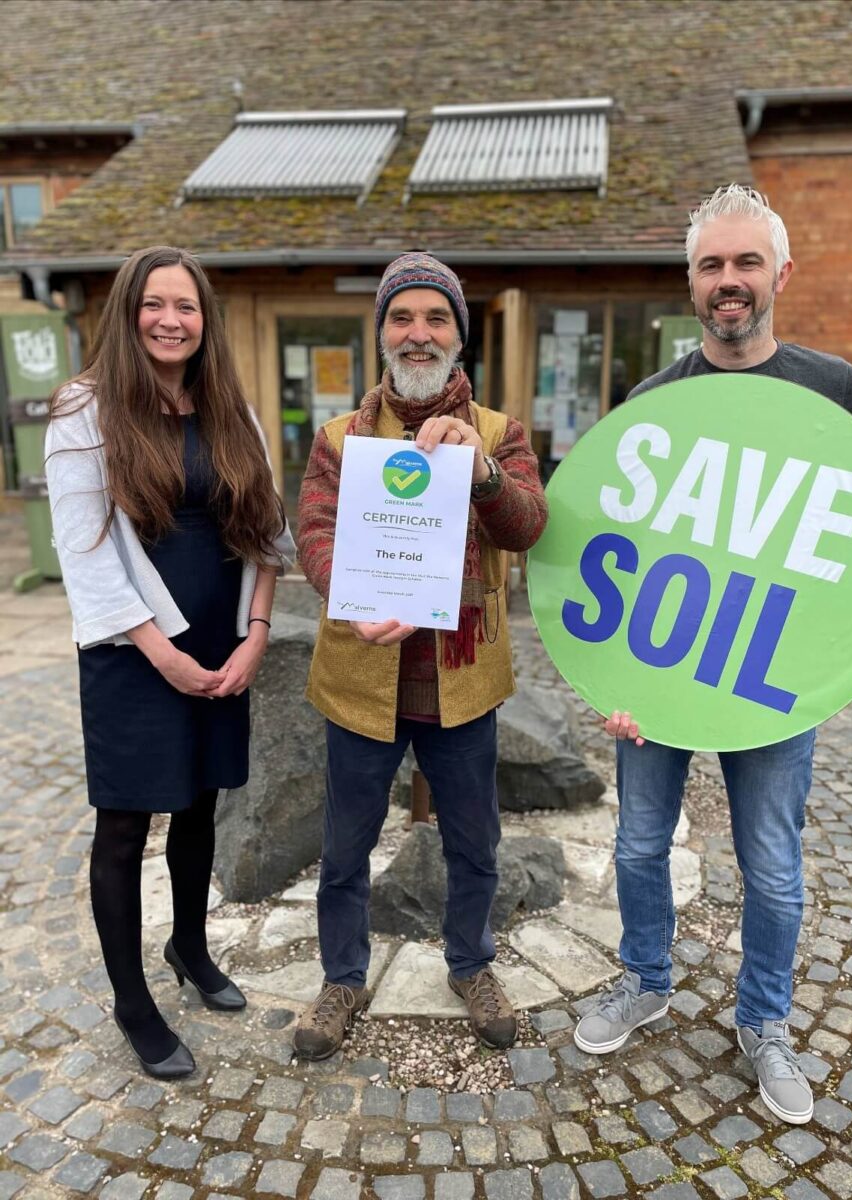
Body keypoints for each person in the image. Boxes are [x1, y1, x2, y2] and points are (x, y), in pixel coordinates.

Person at [573, 185, 852, 1126]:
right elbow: (612, 561)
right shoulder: (649, 405)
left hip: (772, 683)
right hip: (661, 681)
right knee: (636, 843)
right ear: (691, 282)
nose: (728, 282)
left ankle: (765, 1023)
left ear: (779, 275)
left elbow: (850, 553)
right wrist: (609, 682)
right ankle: (646, 978)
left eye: (746, 263)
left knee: (773, 866)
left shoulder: (833, 391)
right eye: (712, 265)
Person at [46, 246, 296, 1079]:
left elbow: (264, 528)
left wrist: (257, 631)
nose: (169, 320)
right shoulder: (85, 412)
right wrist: (162, 651)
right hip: (132, 652)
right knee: (125, 825)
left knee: (199, 806)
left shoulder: (229, 408)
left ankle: (189, 947)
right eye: (154, 304)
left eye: (185, 307)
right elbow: (83, 553)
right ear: (127, 312)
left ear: (204, 319)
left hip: (223, 641)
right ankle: (133, 1002)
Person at [295, 253, 547, 1060]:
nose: (417, 333)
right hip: (361, 680)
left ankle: (469, 963)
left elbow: (528, 526)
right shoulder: (340, 438)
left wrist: (479, 474)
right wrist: (355, 595)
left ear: (457, 339)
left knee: (475, 843)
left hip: (462, 684)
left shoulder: (501, 433)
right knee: (344, 847)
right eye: (401, 318)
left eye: (435, 318)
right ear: (381, 337)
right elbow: (314, 533)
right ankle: (342, 978)